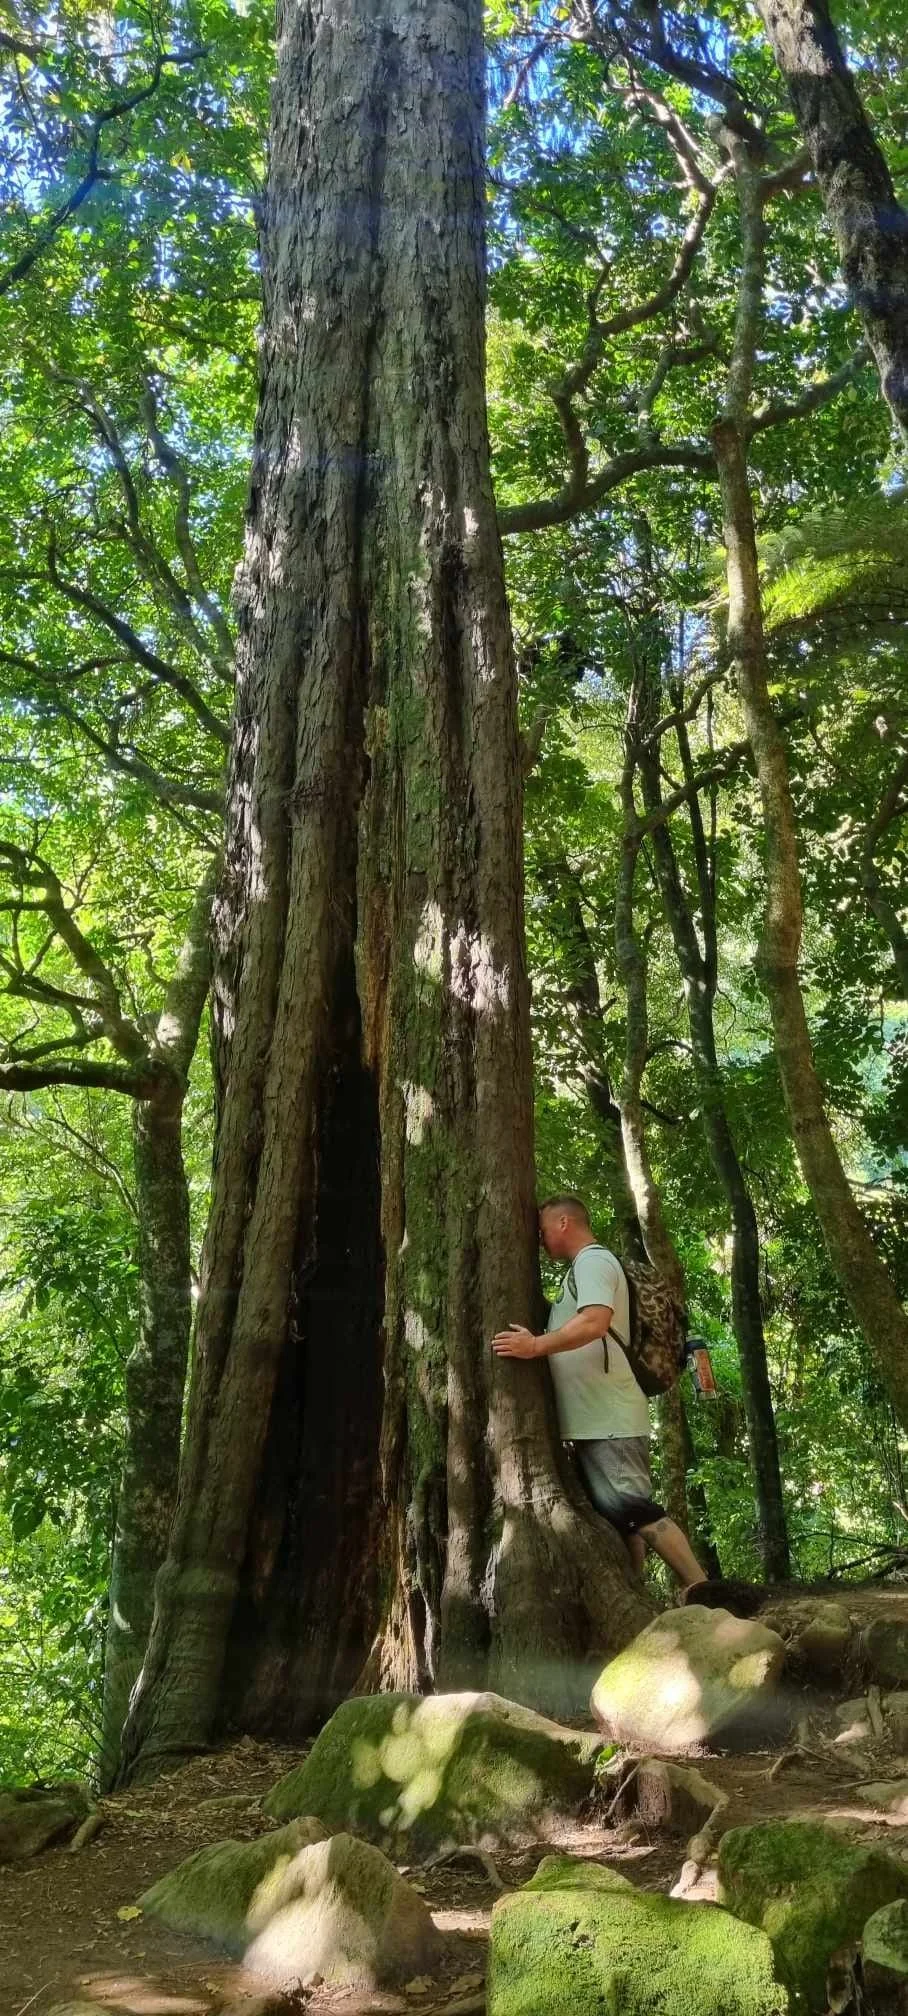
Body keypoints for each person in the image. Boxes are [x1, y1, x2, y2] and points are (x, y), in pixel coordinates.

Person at [492, 1193, 706, 1590]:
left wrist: (535, 1346)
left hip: (611, 1416)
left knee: (632, 1507)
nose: (539, 1240)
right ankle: (634, 1591)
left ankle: (704, 1588)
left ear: (563, 1224)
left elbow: (593, 1322)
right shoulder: (582, 1269)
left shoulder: (593, 1261)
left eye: (542, 1231)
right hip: (596, 1417)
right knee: (618, 1516)